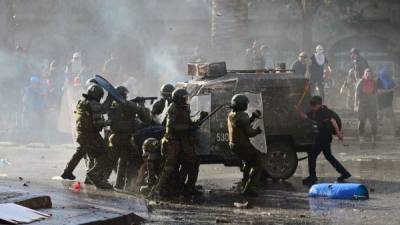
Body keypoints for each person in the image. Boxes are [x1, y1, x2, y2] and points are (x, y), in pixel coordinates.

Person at [152, 89, 204, 197]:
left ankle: (187, 187)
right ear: (179, 99)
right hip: (172, 141)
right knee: (169, 167)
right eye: (184, 98)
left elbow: (189, 124)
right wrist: (189, 127)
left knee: (193, 163)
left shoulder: (183, 108)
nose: (186, 100)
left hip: (182, 142)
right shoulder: (173, 108)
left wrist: (200, 119)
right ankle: (157, 189)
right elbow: (172, 127)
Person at [61, 84, 113, 189]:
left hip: (81, 133)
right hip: (90, 135)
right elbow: (99, 119)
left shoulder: (83, 102)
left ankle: (68, 172)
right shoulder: (93, 104)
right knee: (105, 153)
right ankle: (93, 174)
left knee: (80, 152)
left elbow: (101, 109)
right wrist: (108, 122)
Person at [107, 86, 151, 190]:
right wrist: (141, 106)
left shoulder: (112, 104)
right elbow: (146, 118)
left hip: (115, 137)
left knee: (116, 161)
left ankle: (112, 182)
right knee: (133, 160)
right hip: (126, 137)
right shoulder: (128, 105)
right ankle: (128, 184)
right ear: (123, 95)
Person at [301, 96, 351, 186]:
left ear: (319, 104)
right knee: (328, 156)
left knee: (312, 155)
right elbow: (307, 116)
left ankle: (312, 176)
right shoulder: (315, 111)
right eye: (312, 105)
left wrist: (338, 133)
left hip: (324, 137)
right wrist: (302, 115)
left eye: (314, 105)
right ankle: (344, 173)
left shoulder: (325, 112)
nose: (312, 107)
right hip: (321, 136)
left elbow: (333, 121)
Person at [227, 94, 263, 196]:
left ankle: (245, 183)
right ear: (242, 105)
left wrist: (253, 117)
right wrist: (258, 131)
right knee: (258, 162)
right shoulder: (242, 115)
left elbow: (242, 125)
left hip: (234, 144)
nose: (247, 105)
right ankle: (249, 188)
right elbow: (249, 132)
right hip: (242, 144)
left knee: (248, 162)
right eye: (245, 103)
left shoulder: (232, 114)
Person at [355, 68, 378, 144]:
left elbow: (375, 93)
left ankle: (374, 137)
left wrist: (376, 104)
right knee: (361, 121)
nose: (368, 75)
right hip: (362, 104)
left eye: (370, 74)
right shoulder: (361, 82)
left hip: (371, 104)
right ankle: (361, 137)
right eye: (367, 74)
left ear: (372, 75)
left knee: (373, 122)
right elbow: (357, 94)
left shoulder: (374, 82)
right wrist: (355, 104)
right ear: (365, 74)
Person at [376, 65, 398, 135]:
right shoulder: (378, 80)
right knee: (380, 119)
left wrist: (396, 87)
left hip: (388, 103)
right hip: (380, 103)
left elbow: (395, 89)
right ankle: (377, 132)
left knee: (391, 118)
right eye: (385, 71)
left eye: (387, 71)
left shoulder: (391, 80)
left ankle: (394, 132)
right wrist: (391, 90)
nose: (386, 73)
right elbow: (379, 91)